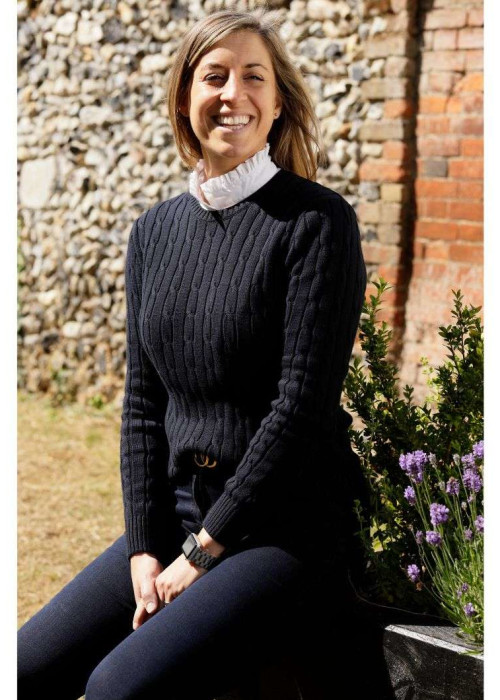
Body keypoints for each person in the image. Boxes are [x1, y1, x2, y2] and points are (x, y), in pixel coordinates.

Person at [18, 8, 368, 700]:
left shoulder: (317, 224)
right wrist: (147, 546)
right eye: (214, 76)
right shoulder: (154, 232)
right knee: (24, 669)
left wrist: (203, 549)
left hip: (283, 527)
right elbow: (144, 404)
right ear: (185, 97)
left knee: (118, 688)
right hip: (179, 514)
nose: (232, 93)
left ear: (278, 105)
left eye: (253, 77)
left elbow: (298, 409)